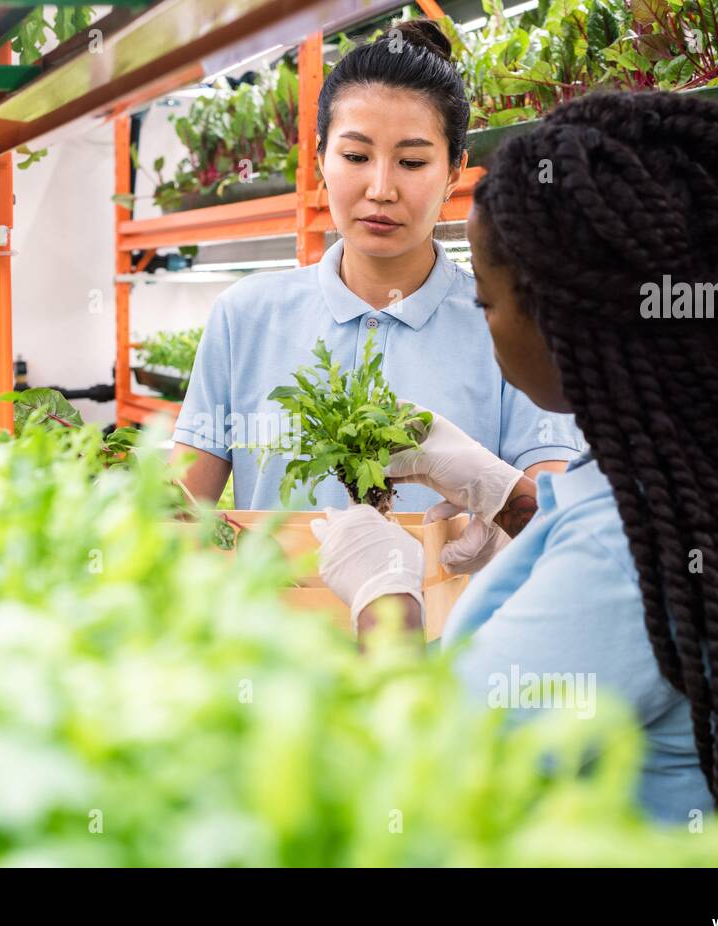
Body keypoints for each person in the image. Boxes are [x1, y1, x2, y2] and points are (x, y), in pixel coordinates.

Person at [311, 90, 718, 867]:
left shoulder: (629, 559)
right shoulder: (710, 489)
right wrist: (507, 492)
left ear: (562, 319)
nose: (483, 326)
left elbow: (413, 775)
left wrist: (384, 600)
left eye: (486, 301)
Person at [170, 19, 581, 564]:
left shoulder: (510, 322)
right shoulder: (244, 316)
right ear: (320, 159)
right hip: (268, 640)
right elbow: (178, 515)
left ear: (456, 170)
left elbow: (558, 530)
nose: (381, 189)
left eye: (412, 162)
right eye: (356, 157)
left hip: (448, 639)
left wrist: (500, 497)